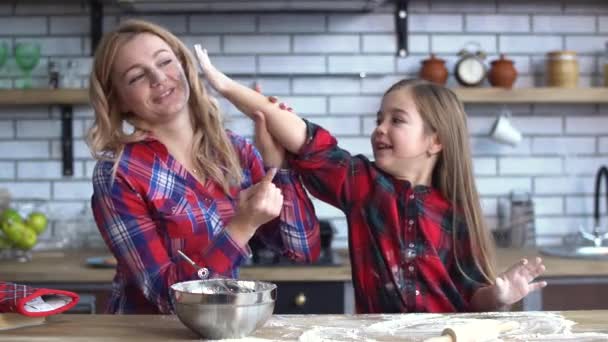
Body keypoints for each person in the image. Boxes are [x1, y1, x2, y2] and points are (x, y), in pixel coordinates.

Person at [194, 45, 547, 313]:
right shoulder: (363, 184)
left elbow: (474, 297)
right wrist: (222, 84)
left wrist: (500, 295)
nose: (380, 128)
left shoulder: (456, 212)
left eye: (397, 120)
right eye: (379, 118)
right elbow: (301, 135)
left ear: (436, 140)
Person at [86, 20, 320, 314]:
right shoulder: (119, 173)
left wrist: (279, 163)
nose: (159, 78)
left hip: (220, 327)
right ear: (118, 99)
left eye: (165, 62)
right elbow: (167, 298)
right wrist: (241, 226)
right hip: (146, 333)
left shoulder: (234, 151)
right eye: (136, 77)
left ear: (184, 65)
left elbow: (303, 250)